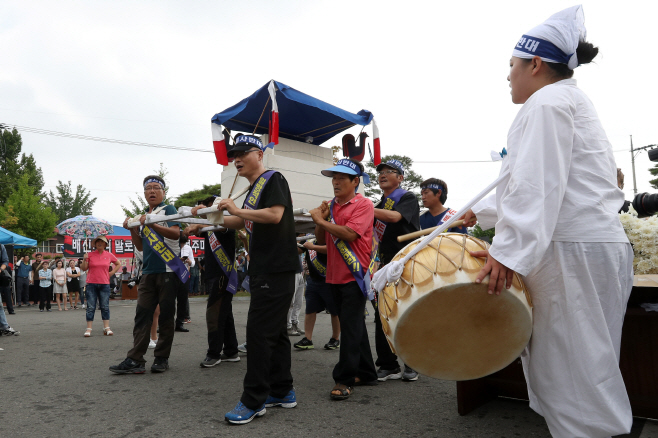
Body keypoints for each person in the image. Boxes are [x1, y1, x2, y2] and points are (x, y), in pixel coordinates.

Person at [460, 6, 633, 437]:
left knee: (576, 385)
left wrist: (509, 253)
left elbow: (538, 186)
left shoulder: (548, 101)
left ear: (534, 64)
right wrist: (479, 214)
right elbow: (552, 186)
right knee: (586, 371)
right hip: (586, 247)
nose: (507, 76)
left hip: (570, 253)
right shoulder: (568, 100)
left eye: (512, 65)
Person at [218, 135, 299, 424]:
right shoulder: (254, 188)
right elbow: (242, 221)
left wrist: (238, 210)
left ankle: (253, 400)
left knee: (258, 334)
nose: (237, 158)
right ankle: (282, 390)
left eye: (243, 152)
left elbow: (275, 215)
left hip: (275, 267)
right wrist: (204, 222)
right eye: (233, 155)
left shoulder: (273, 179)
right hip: (269, 268)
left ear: (260, 154)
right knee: (275, 334)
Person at [310, 158, 378, 401]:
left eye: (341, 178)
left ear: (355, 182)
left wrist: (321, 220)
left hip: (354, 275)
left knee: (349, 328)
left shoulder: (364, 204)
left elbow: (350, 234)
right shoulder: (331, 205)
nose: (335, 182)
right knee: (353, 325)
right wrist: (321, 219)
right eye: (333, 178)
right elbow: (321, 238)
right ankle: (368, 372)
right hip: (333, 275)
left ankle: (345, 379)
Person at [111, 175, 182, 374]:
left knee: (167, 317)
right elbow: (140, 246)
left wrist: (152, 225)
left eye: (156, 188)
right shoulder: (142, 216)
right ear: (144, 193)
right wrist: (133, 229)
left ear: (163, 192)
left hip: (168, 269)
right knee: (142, 315)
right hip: (148, 272)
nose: (151, 191)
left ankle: (161, 358)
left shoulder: (168, 210)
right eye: (148, 188)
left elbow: (177, 233)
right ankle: (135, 359)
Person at [371, 159, 420, 382]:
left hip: (406, 263)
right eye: (380, 172)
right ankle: (388, 364)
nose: (382, 175)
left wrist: (364, 208)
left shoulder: (406, 198)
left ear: (400, 177)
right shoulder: (380, 203)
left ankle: (413, 362)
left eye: (389, 172)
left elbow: (395, 217)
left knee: (407, 311)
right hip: (384, 264)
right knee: (382, 312)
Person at [187, 197, 240, 368]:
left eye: (210, 209)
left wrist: (201, 219)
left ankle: (214, 353)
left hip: (222, 275)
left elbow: (216, 225)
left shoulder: (226, 225)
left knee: (214, 314)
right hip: (215, 274)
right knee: (225, 313)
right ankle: (231, 351)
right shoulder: (210, 227)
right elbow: (198, 229)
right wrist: (198, 223)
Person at [293, 237, 340, 351]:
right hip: (313, 280)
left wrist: (313, 247)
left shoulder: (332, 237)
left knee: (334, 311)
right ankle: (307, 339)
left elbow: (331, 249)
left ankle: (335, 338)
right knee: (310, 309)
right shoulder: (310, 239)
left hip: (330, 280)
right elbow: (299, 250)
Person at [81, 236, 120, 336]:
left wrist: (111, 273)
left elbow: (118, 264)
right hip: (91, 283)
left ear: (105, 244)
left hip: (104, 283)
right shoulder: (89, 255)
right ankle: (89, 328)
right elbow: (84, 268)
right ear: (94, 244)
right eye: (97, 242)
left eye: (102, 242)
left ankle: (106, 327)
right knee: (90, 306)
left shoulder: (109, 255)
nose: (99, 243)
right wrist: (84, 260)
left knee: (105, 306)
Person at [175, 234, 194, 331]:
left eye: (183, 244)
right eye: (180, 243)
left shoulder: (188, 248)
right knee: (168, 300)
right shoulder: (172, 246)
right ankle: (165, 324)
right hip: (172, 275)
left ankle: (179, 323)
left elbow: (193, 262)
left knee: (182, 300)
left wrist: (189, 262)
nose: (182, 245)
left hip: (184, 275)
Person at [0, 244, 19, 335]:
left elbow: (5, 261)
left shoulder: (1, 246)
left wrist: (0, 269)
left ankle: (4, 326)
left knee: (0, 305)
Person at [286, 247, 305, 336]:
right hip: (291, 272)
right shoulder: (289, 237)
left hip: (299, 272)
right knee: (291, 302)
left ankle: (294, 323)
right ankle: (288, 326)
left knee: (299, 302)